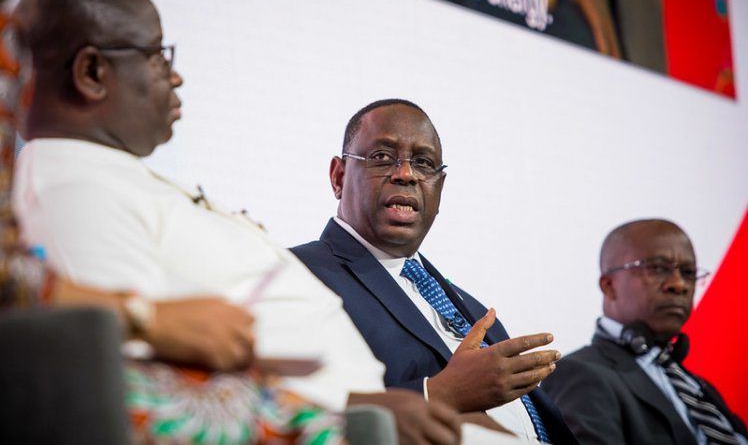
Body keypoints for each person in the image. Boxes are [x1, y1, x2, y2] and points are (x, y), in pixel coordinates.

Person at [11, 0, 463, 444]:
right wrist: (355, 412)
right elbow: (127, 382)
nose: (175, 76)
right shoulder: (68, 184)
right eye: (159, 56)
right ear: (92, 73)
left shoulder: (113, 175)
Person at [292, 98, 577, 443]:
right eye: (382, 156)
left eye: (424, 163)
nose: (406, 174)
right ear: (338, 177)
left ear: (439, 188)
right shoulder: (297, 274)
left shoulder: (469, 305)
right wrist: (438, 394)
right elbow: (286, 408)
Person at [542, 219, 747, 445]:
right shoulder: (580, 373)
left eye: (688, 272)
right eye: (657, 268)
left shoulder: (697, 386)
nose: (679, 284)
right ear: (609, 285)